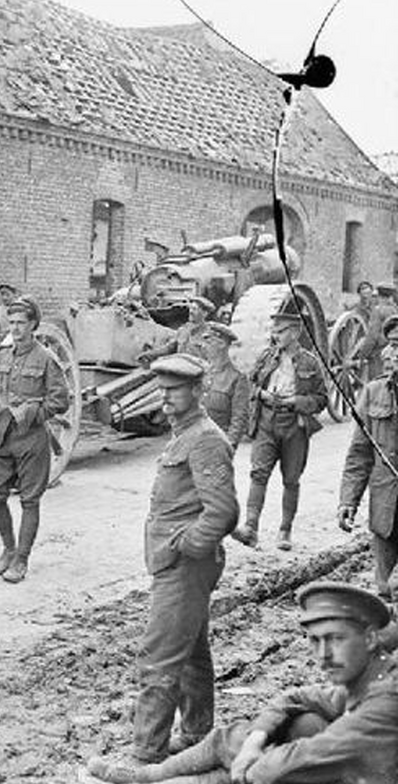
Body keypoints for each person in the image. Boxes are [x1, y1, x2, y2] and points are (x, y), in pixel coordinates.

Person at [85, 582, 398, 784]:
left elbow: (305, 757)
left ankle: (159, 779)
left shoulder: (387, 700)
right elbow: (295, 696)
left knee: (273, 760)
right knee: (292, 725)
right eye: (315, 642)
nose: (324, 655)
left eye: (336, 639)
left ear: (371, 638)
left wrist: (248, 763)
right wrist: (253, 741)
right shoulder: (367, 678)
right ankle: (150, 776)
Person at [89, 354, 238, 767]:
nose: (166, 398)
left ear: (196, 390)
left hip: (185, 566)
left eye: (174, 390)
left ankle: (145, 753)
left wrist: (186, 545)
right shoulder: (185, 433)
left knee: (160, 657)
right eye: (163, 389)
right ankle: (195, 736)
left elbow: (223, 511)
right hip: (178, 563)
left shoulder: (205, 438)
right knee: (191, 652)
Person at [0, 297, 71, 584]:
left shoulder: (45, 358)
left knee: (30, 501)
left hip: (31, 438)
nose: (16, 328)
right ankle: (8, 549)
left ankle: (21, 559)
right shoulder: (3, 355)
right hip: (1, 435)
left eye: (21, 323)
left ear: (33, 325)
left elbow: (61, 400)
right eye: (12, 323)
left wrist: (34, 412)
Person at [231, 311, 328, 551]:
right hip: (266, 420)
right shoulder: (266, 358)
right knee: (258, 473)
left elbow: (322, 399)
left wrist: (297, 401)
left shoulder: (310, 363)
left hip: (294, 424)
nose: (276, 336)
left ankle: (285, 530)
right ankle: (251, 528)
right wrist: (261, 394)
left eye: (281, 331)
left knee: (291, 479)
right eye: (274, 331)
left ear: (295, 333)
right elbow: (250, 383)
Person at [338, 315, 398, 600]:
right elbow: (360, 455)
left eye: (397, 346)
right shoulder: (374, 392)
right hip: (386, 511)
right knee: (385, 589)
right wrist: (348, 501)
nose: (388, 353)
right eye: (389, 345)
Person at [200, 323, 250, 447]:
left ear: (222, 345)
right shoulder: (200, 373)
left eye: (209, 342)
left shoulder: (236, 379)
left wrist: (229, 445)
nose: (203, 346)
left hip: (218, 443)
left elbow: (239, 418)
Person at [139, 297, 215, 363]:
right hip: (180, 371)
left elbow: (213, 360)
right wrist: (150, 354)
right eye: (190, 308)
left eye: (195, 309)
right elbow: (169, 348)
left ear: (205, 313)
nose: (191, 312)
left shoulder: (209, 334)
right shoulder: (183, 330)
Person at [353, 282, 398, 381]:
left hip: (378, 357)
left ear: (380, 296)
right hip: (393, 354)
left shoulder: (378, 311)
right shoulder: (395, 310)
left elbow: (372, 337)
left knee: (377, 384)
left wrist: (362, 356)